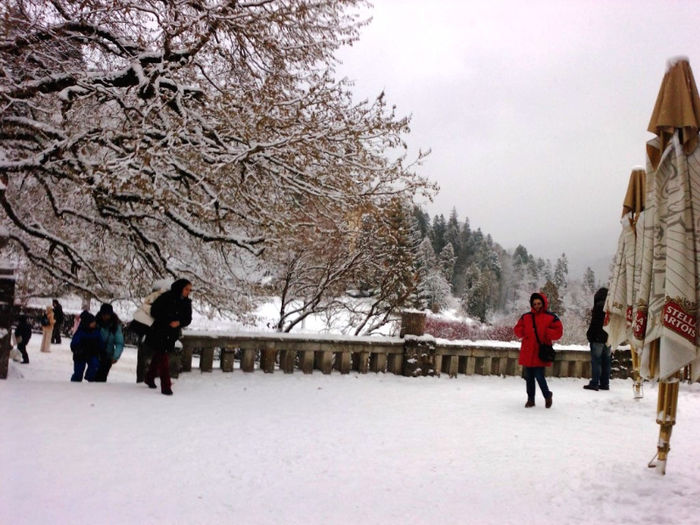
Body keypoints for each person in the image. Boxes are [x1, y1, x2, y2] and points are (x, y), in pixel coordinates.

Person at [513, 292, 563, 408]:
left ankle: (547, 395)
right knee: (529, 377)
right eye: (534, 303)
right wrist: (524, 331)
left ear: (543, 303)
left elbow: (558, 332)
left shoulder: (551, 317)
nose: (536, 306)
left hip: (540, 352)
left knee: (539, 376)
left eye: (539, 303)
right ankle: (531, 399)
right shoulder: (526, 317)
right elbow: (517, 329)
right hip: (528, 351)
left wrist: (547, 333)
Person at [144, 278, 192, 395]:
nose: (188, 292)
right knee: (163, 357)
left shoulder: (186, 302)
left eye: (190, 290)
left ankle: (149, 377)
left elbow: (188, 319)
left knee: (160, 356)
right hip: (159, 331)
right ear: (180, 288)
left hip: (172, 334)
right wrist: (168, 320)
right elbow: (154, 311)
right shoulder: (166, 297)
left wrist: (179, 322)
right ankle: (166, 386)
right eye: (186, 289)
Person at [584, 287, 611, 391]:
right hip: (608, 338)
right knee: (607, 361)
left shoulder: (598, 307)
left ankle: (594, 382)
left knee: (596, 361)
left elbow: (594, 323)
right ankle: (605, 383)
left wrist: (590, 335)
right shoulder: (610, 307)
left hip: (597, 338)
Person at [70, 312, 105, 382]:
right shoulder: (80, 332)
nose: (94, 323)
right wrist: (77, 350)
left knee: (94, 365)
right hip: (80, 354)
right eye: (92, 322)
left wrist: (101, 350)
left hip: (92, 353)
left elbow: (101, 342)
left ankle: (90, 378)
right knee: (78, 371)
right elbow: (73, 344)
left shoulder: (96, 332)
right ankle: (75, 383)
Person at [94, 303, 125, 382]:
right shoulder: (95, 323)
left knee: (101, 377)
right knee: (93, 376)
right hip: (95, 354)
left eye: (107, 315)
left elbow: (119, 343)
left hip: (107, 356)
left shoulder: (115, 326)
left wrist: (115, 357)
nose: (105, 317)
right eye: (103, 314)